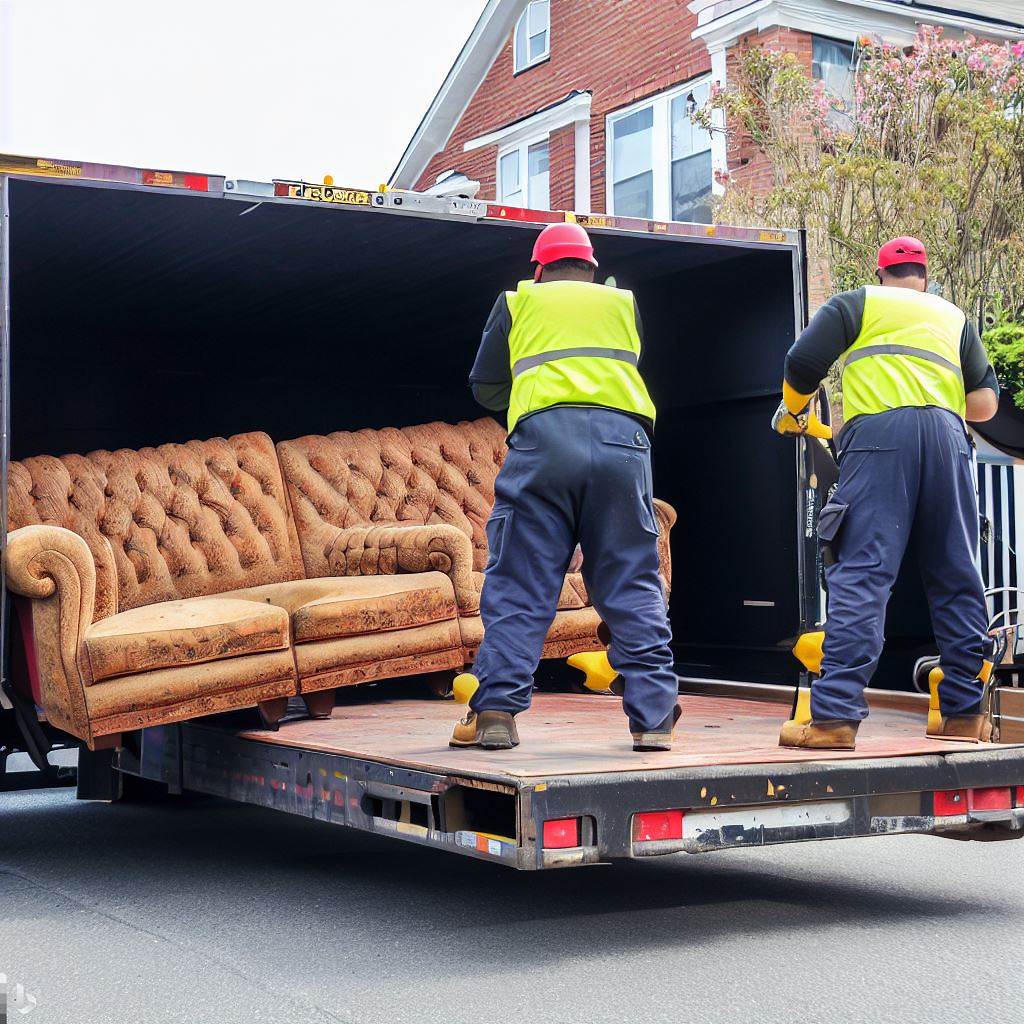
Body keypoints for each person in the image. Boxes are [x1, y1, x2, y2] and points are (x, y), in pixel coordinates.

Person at [449, 222, 680, 752]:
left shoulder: (518, 303)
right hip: (624, 446)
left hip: (543, 446)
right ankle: (653, 719)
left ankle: (497, 715)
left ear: (538, 269)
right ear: (593, 269)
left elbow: (485, 385)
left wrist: (527, 392)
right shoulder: (623, 304)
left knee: (522, 583)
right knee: (632, 582)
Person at [772, 236, 1000, 750]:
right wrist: (934, 408)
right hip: (949, 440)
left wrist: (794, 410)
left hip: (878, 441)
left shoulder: (857, 303)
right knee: (956, 572)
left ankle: (832, 719)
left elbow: (803, 363)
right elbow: (984, 403)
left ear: (881, 274)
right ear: (925, 275)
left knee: (864, 574)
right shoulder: (952, 317)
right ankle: (964, 714)